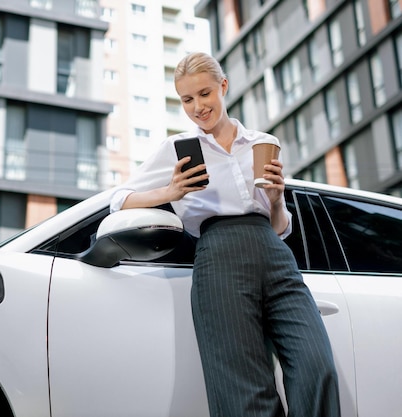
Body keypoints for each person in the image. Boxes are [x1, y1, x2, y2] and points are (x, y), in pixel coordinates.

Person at [109, 52, 340, 417]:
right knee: (244, 389)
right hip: (219, 256)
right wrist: (170, 193)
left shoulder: (262, 142)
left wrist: (277, 200)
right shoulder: (176, 150)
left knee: (317, 367)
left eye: (205, 94)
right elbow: (118, 200)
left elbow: (280, 227)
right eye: (187, 99)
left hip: (274, 253)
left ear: (223, 86)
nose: (198, 107)